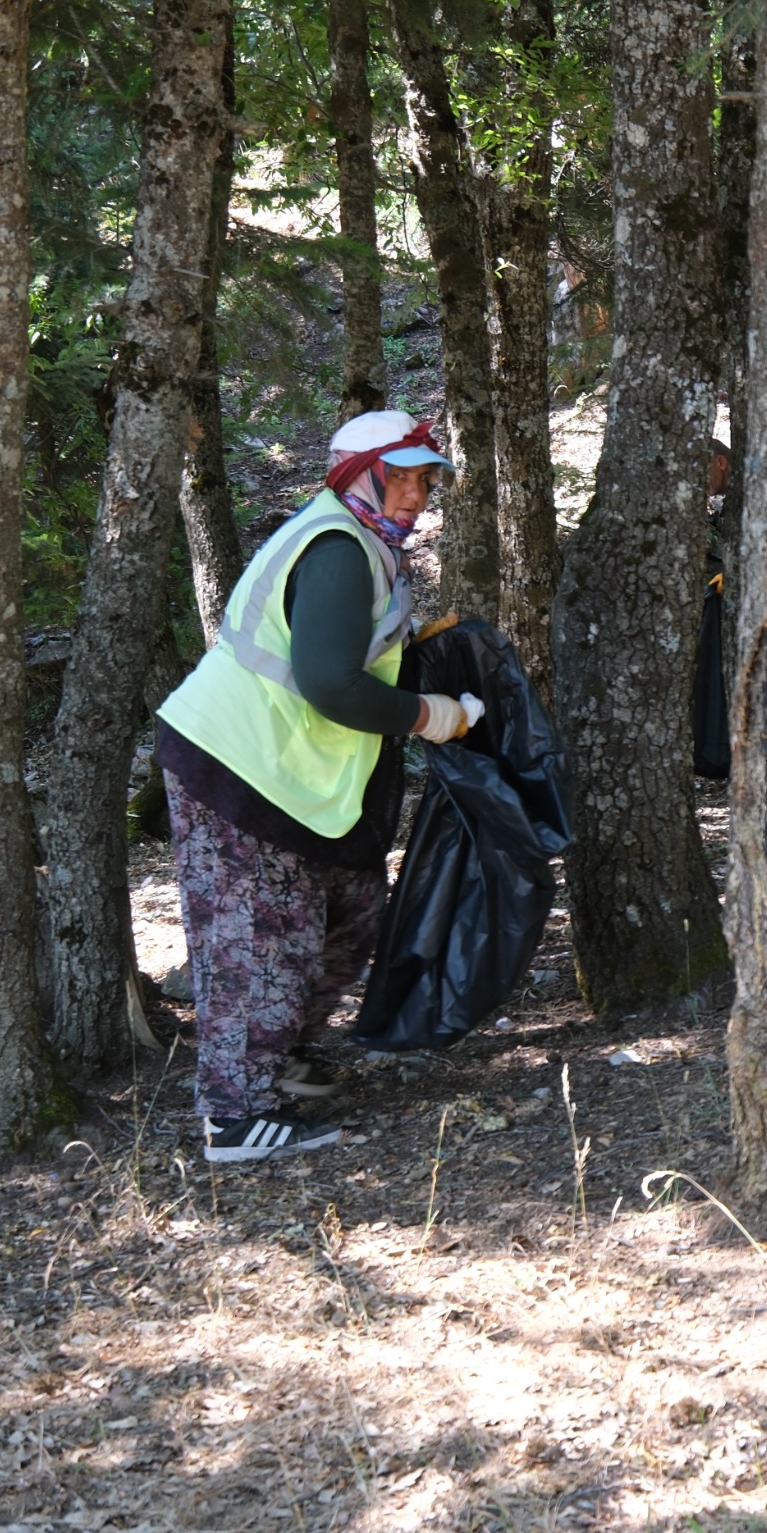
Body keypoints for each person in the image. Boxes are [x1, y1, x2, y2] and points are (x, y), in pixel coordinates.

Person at [153, 411, 474, 1163]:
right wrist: (431, 716)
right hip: (235, 763)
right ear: (357, 474)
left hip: (290, 775)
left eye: (426, 479)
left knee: (351, 915)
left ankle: (278, 1061)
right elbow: (331, 684)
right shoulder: (335, 548)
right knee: (259, 940)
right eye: (402, 476)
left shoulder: (367, 546)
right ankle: (235, 1115)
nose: (417, 493)